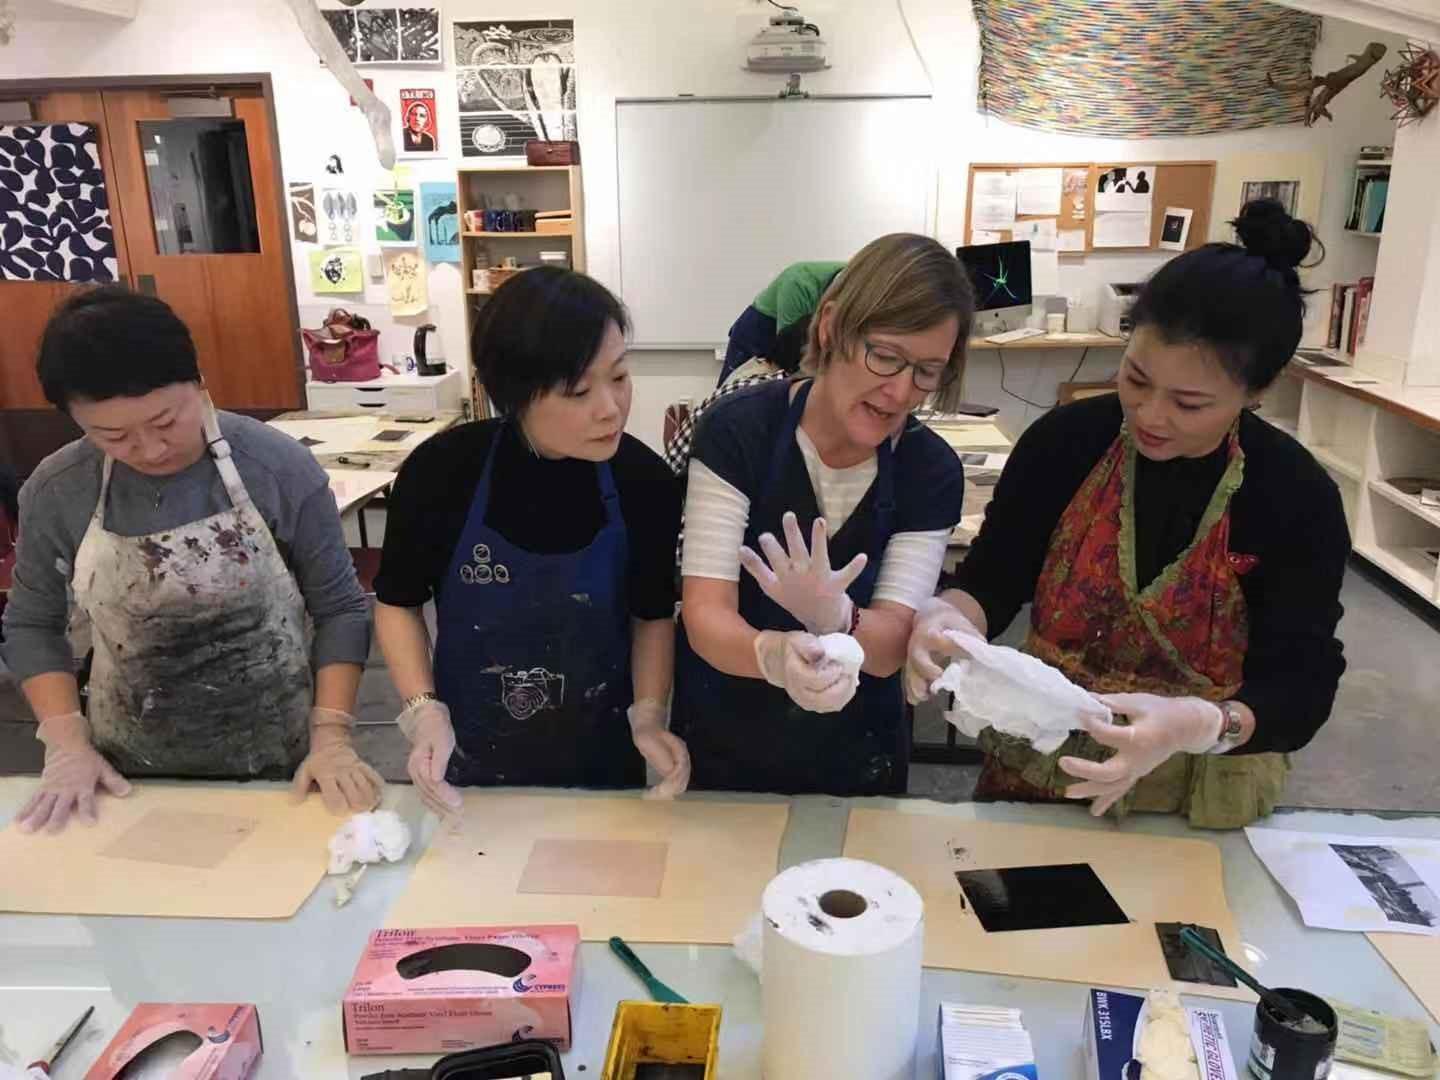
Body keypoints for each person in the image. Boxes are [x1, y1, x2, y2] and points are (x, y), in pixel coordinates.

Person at [906, 200, 1348, 829]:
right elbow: (994, 581)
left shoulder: (1293, 495)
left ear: (1254, 393)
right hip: (1046, 766)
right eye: (1135, 379)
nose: (1150, 416)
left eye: (1189, 403)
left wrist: (1204, 722)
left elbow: (1302, 686)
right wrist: (948, 615)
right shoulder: (1064, 444)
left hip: (1198, 791)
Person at [2, 287, 378, 833]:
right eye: (114, 436)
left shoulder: (276, 468)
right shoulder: (58, 488)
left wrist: (333, 736)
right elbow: (32, 623)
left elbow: (341, 607)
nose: (151, 449)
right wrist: (65, 744)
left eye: (165, 422)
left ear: (199, 384)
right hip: (123, 767)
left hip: (287, 757)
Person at [374, 267, 687, 814]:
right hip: (467, 758)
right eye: (579, 391)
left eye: (619, 377)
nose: (611, 407)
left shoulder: (645, 482)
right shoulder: (443, 473)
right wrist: (424, 711)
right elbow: (398, 602)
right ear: (514, 396)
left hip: (602, 755)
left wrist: (648, 715)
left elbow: (653, 613)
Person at [675, 233, 973, 795]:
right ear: (832, 324)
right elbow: (706, 612)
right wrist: (772, 656)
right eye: (885, 356)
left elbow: (886, 652)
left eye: (927, 371)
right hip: (728, 741)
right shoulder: (738, 432)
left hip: (858, 754)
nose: (900, 391)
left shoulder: (929, 469)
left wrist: (839, 617)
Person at [718, 260, 845, 386]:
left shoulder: (859, 279)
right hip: (761, 329)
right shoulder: (799, 283)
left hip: (793, 337)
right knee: (731, 391)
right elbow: (790, 353)